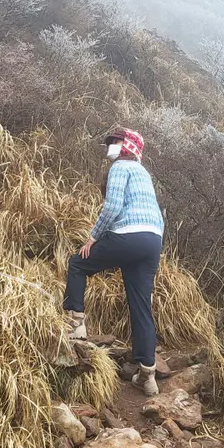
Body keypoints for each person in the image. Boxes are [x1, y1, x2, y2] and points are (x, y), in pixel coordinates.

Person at [63, 127, 164, 396]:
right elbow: (154, 213)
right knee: (141, 307)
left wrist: (93, 237)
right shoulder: (143, 173)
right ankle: (148, 375)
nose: (112, 146)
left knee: (78, 263)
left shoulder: (121, 166)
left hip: (128, 234)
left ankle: (75, 324)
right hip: (153, 240)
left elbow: (112, 206)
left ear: (128, 146)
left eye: (117, 141)